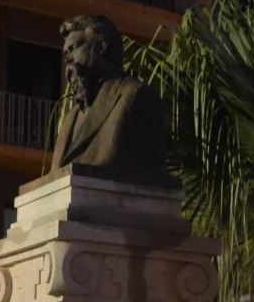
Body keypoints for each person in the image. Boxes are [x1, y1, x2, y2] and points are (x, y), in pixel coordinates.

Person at [50, 15, 168, 184]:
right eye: (65, 54)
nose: (67, 59)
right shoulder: (71, 117)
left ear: (101, 47)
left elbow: (152, 175)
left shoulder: (137, 95)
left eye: (73, 48)